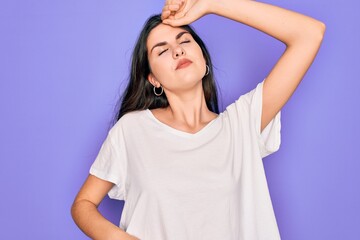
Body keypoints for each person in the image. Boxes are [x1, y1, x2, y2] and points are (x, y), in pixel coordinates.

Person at [71, 0, 325, 239]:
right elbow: (83, 204)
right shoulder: (132, 130)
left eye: (185, 40)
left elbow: (310, 33)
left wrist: (211, 4)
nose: (177, 50)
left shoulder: (242, 124)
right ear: (154, 80)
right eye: (162, 51)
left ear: (204, 60)